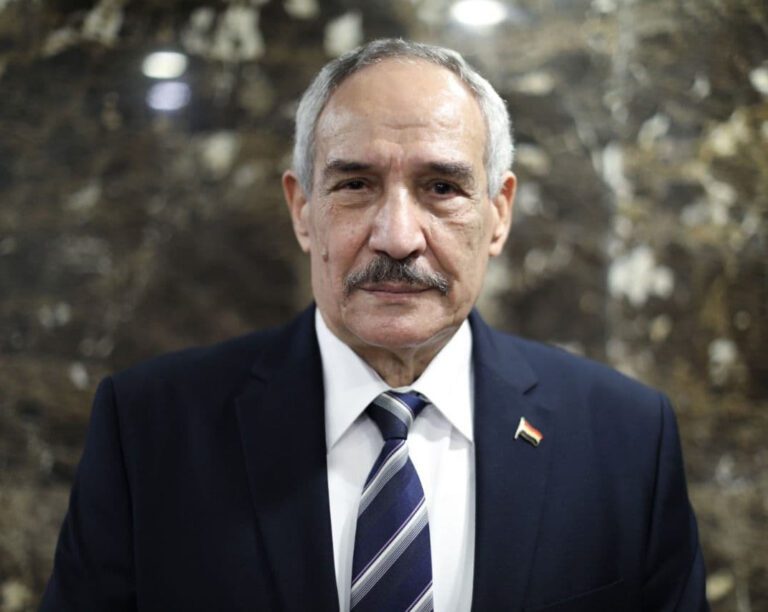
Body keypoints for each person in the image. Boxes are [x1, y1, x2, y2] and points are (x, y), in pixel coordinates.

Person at [41, 39, 708, 611]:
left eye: (441, 187)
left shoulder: (626, 439)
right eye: (356, 184)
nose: (397, 236)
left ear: (498, 214)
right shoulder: (149, 430)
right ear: (302, 211)